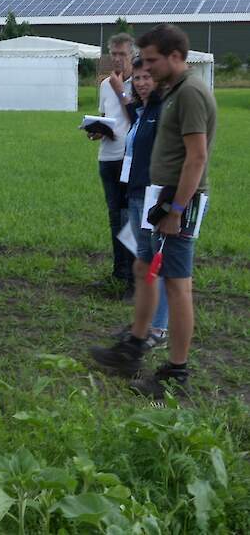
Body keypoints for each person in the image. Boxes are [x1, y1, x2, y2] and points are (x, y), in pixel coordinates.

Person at [91, 24, 216, 399]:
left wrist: (177, 209)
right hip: (155, 196)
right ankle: (134, 346)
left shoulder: (191, 93)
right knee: (144, 267)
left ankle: (176, 373)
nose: (144, 67)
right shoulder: (171, 91)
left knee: (178, 286)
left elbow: (197, 157)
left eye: (151, 60)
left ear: (176, 56)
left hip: (178, 201)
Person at [116, 56, 169, 348]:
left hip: (153, 195)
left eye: (147, 77)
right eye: (136, 78)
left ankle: (158, 329)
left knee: (155, 262)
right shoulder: (143, 111)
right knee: (143, 259)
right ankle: (144, 323)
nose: (141, 83)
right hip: (136, 191)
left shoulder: (162, 111)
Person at [89, 33, 135, 300]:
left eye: (122, 55)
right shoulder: (105, 84)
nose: (117, 59)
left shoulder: (139, 83)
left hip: (129, 160)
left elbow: (135, 117)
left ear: (132, 56)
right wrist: (96, 130)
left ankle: (132, 277)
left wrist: (121, 91)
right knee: (115, 217)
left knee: (130, 218)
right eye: (114, 54)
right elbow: (107, 117)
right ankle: (118, 272)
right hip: (107, 157)